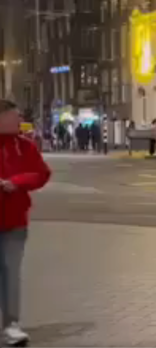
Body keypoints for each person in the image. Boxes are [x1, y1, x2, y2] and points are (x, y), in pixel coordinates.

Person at [0, 99, 52, 346]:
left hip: (14, 220)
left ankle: (11, 324)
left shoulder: (25, 146)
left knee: (11, 273)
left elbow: (41, 173)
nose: (19, 120)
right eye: (14, 116)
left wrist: (16, 183)